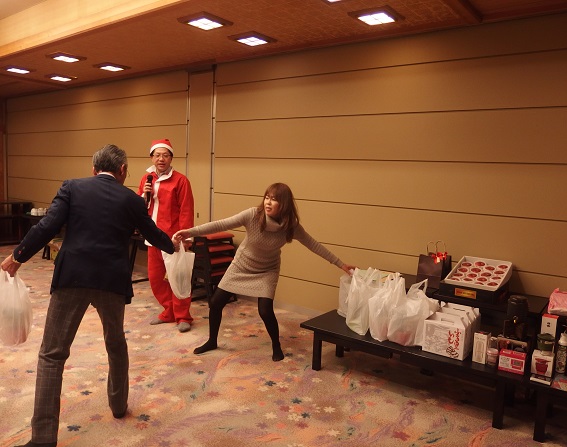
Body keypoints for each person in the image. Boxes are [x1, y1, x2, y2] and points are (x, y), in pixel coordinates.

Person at [1, 144, 175, 447]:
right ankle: (118, 405)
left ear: (94, 169)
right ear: (122, 171)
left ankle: (43, 438)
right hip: (112, 281)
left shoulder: (72, 187)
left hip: (72, 277)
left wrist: (18, 256)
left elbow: (47, 226)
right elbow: (153, 233)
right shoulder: (132, 200)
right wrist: (176, 245)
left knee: (52, 354)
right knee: (115, 344)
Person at [173, 182, 356, 362]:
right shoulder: (253, 215)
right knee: (215, 302)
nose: (268, 202)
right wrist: (190, 232)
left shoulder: (290, 226)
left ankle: (276, 345)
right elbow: (221, 224)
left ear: (284, 204)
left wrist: (341, 264)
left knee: (265, 310)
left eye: (274, 199)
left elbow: (313, 244)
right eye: (267, 197)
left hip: (267, 269)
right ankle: (212, 341)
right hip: (241, 265)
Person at [138, 139, 195, 332]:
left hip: (173, 238)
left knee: (177, 278)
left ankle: (183, 316)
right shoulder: (146, 179)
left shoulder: (181, 180)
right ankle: (169, 311)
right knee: (156, 278)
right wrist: (144, 196)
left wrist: (185, 238)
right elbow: (139, 208)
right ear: (151, 158)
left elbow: (186, 210)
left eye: (165, 155)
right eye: (157, 155)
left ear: (171, 158)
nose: (161, 159)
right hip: (152, 237)